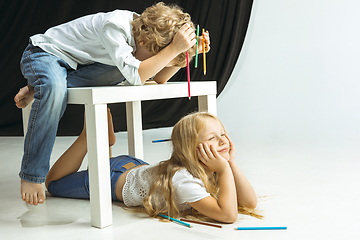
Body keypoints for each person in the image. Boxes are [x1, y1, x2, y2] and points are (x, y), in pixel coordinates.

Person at [14, 2, 210, 206]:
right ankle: (31, 174)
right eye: (157, 57)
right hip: (45, 54)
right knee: (55, 89)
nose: (158, 61)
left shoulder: (142, 42)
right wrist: (173, 49)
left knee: (119, 73)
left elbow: (159, 77)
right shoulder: (115, 26)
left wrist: (190, 53)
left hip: (77, 69)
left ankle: (41, 86)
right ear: (143, 41)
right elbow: (138, 75)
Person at [44, 110, 258, 223]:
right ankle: (89, 136)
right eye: (213, 137)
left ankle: (104, 142)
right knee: (52, 184)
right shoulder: (184, 180)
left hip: (136, 167)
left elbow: (249, 202)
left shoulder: (203, 167)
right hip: (114, 177)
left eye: (223, 134)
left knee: (98, 166)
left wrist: (230, 163)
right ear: (191, 149)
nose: (223, 141)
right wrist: (223, 169)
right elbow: (228, 215)